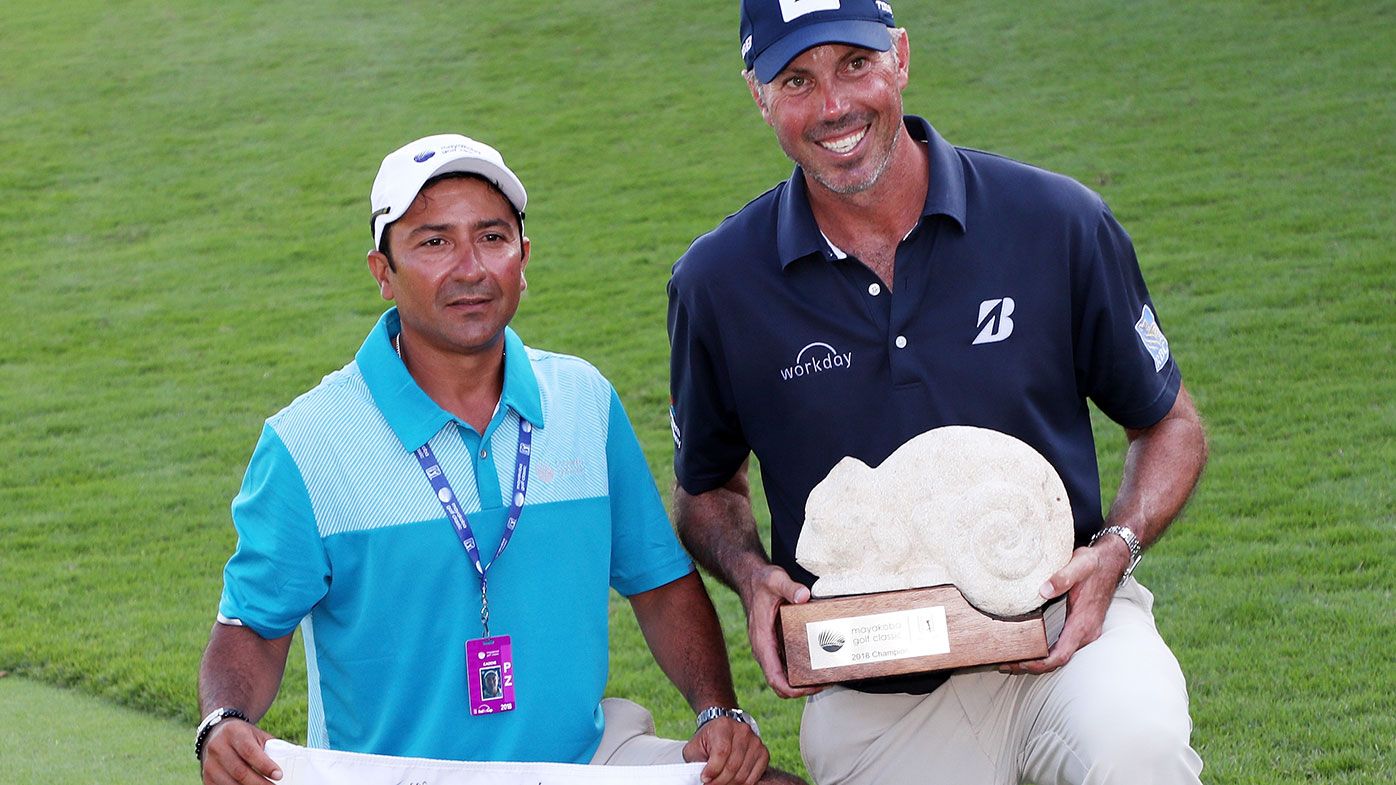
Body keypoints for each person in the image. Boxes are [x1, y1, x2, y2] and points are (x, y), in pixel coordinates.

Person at [667, 2, 1209, 784]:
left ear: (901, 57)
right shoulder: (716, 282)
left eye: (855, 64)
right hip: (877, 682)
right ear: (759, 94)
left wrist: (1115, 551)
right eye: (796, 79)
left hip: (1068, 632)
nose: (833, 106)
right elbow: (704, 487)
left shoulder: (1054, 219)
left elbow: (1172, 425)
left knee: (1138, 748)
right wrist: (752, 575)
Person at [197, 133, 799, 785]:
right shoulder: (307, 442)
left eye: (491, 237)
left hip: (579, 763)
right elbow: (251, 629)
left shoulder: (584, 402)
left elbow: (660, 585)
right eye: (434, 241)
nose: (470, 268)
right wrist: (223, 718)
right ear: (382, 270)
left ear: (523, 258)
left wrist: (718, 709)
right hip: (396, 774)